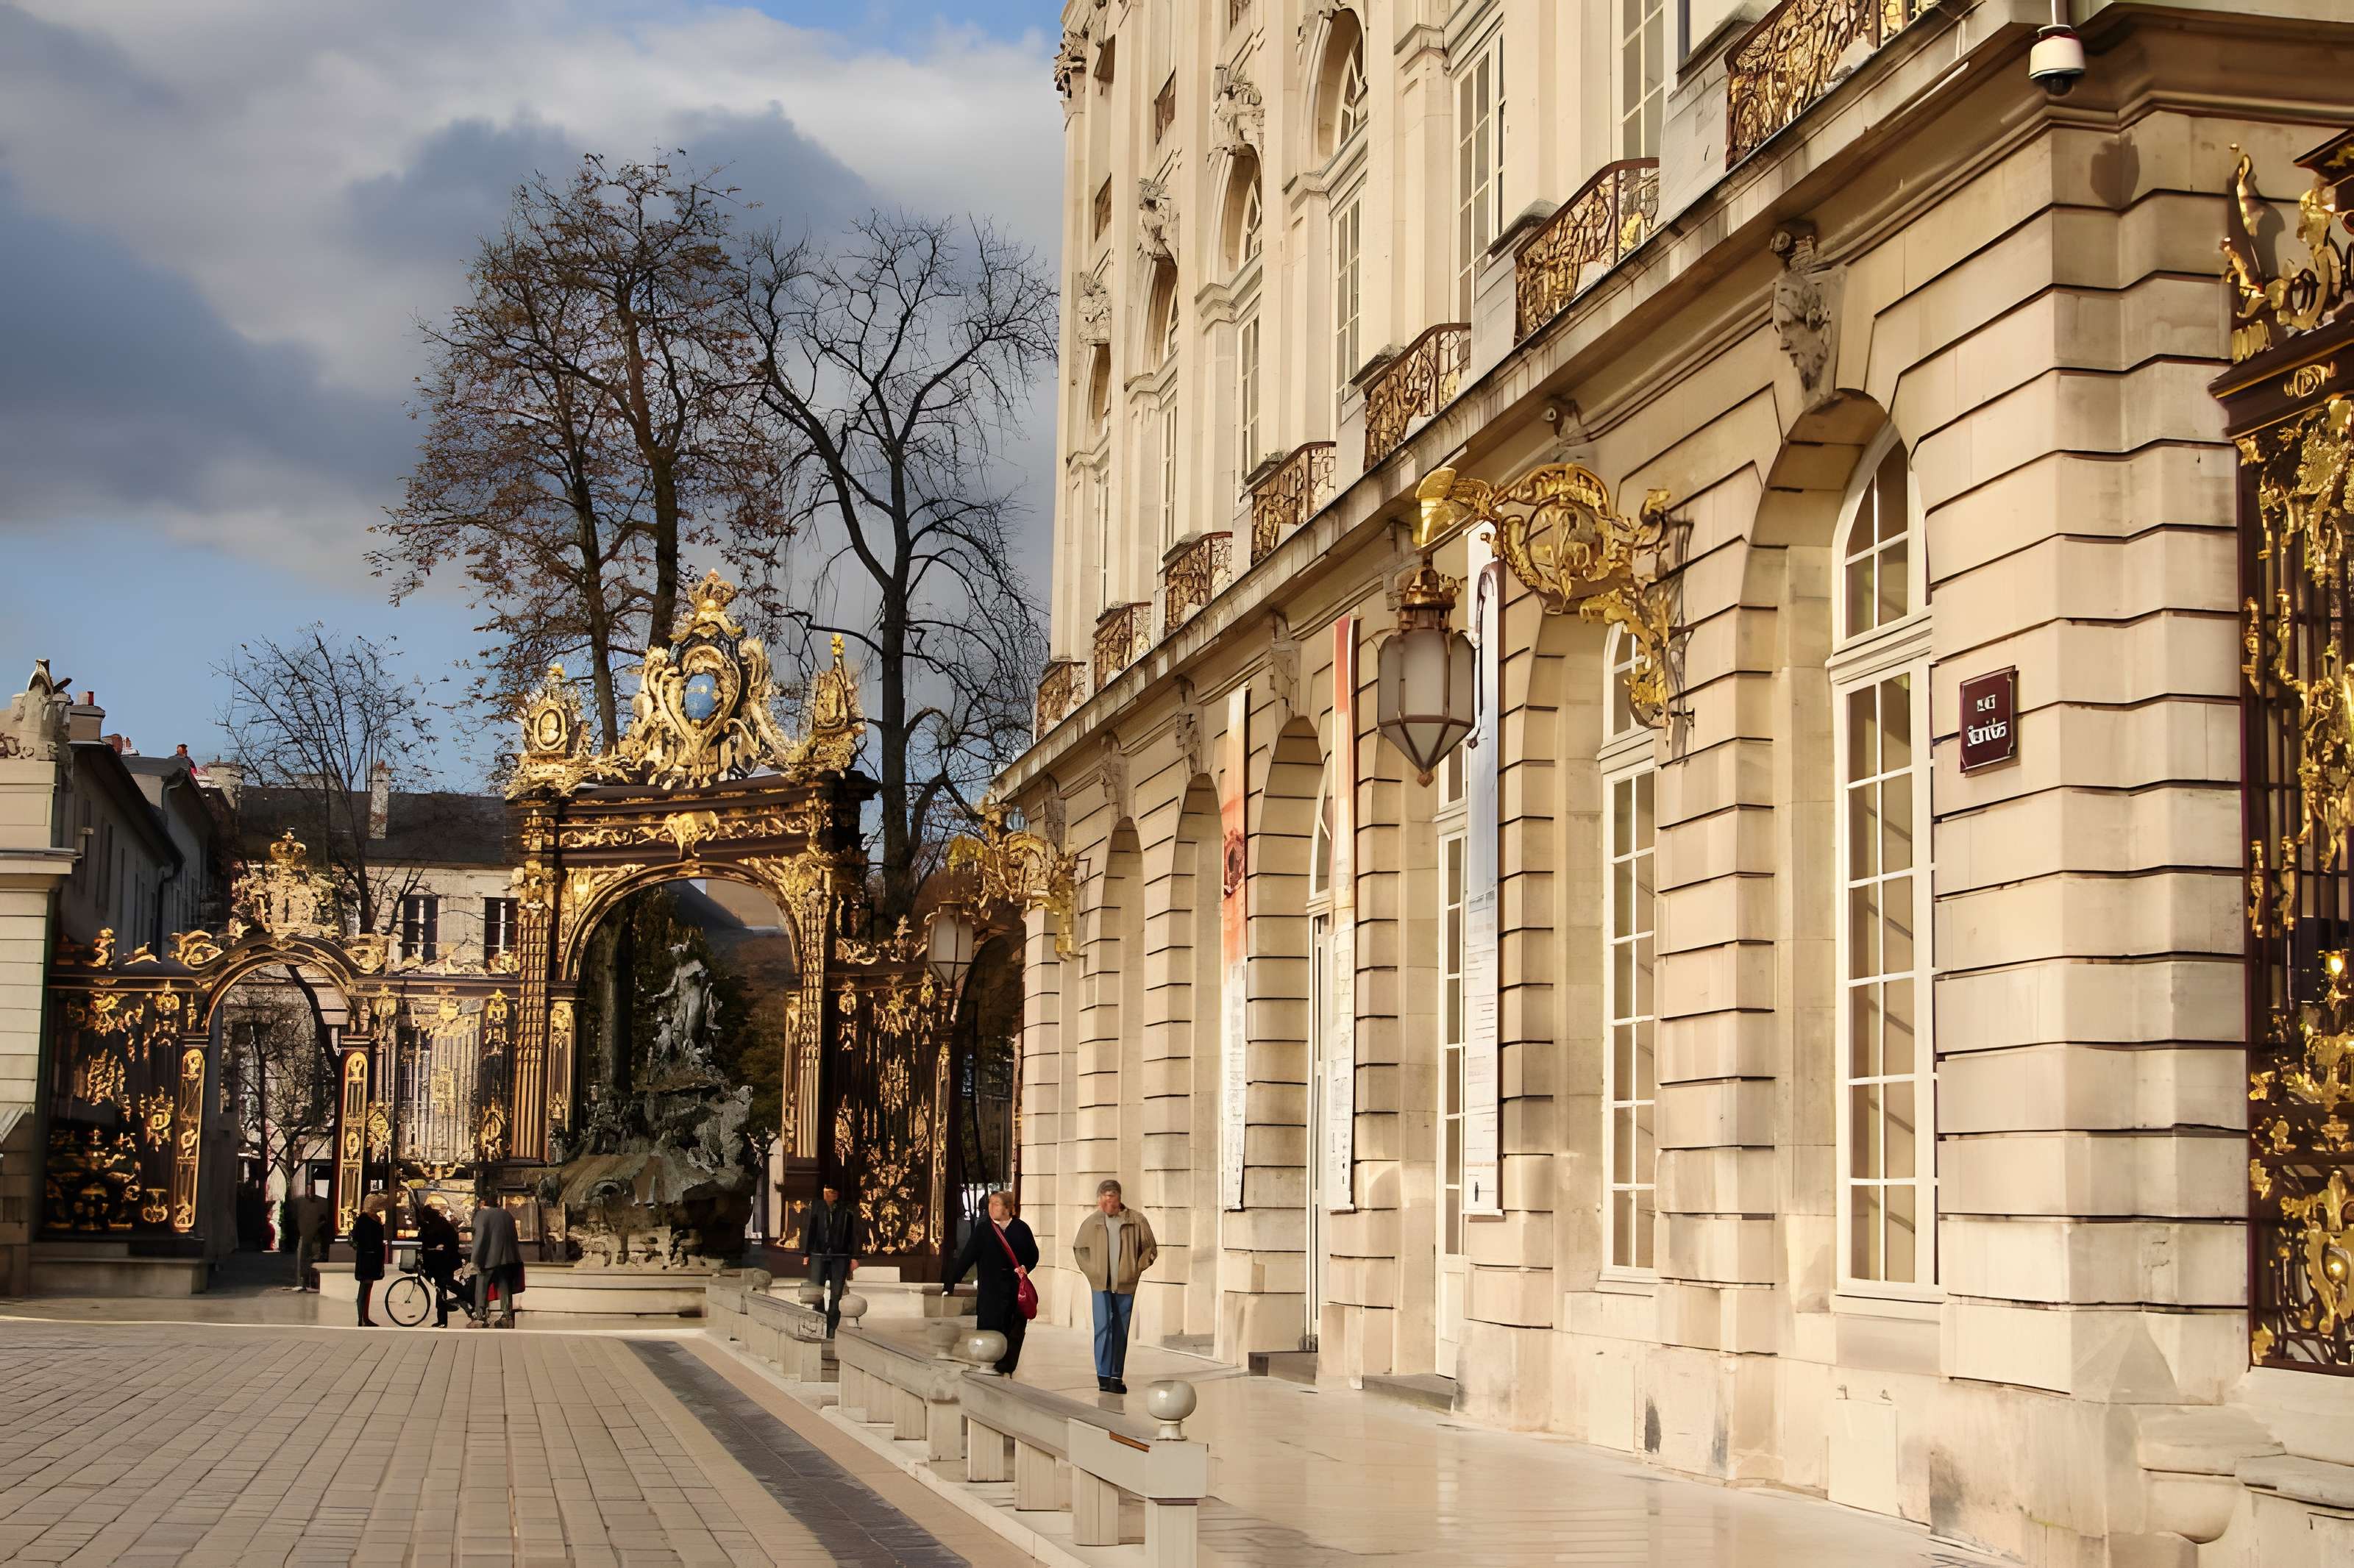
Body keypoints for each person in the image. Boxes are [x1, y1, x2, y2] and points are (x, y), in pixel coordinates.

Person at [1070, 1178, 1157, 1394]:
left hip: (1126, 1283)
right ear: (1099, 1200)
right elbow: (1080, 1249)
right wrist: (1093, 1272)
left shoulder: (1136, 1220)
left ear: (1119, 1199)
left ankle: (1116, 1376)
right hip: (1100, 1284)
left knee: (1121, 1329)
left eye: (1113, 1198)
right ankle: (1103, 1374)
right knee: (1103, 1327)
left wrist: (1135, 1269)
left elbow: (1150, 1249)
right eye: (1105, 1199)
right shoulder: (1092, 1223)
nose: (1108, 1203)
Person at [943, 1190, 1039, 1375]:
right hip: (991, 1292)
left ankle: (1007, 1367)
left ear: (1008, 1209)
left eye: (996, 1203)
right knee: (990, 1328)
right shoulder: (984, 1230)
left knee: (1013, 1331)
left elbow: (1033, 1255)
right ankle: (989, 1365)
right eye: (991, 1203)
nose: (991, 1207)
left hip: (1014, 1291)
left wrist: (1026, 1267)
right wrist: (951, 1283)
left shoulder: (1021, 1228)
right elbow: (966, 1258)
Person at [803, 1182, 860, 1338]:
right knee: (817, 1291)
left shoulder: (847, 1209)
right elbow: (810, 1230)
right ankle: (820, 1321)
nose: (830, 1195)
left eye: (833, 1192)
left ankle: (832, 1327)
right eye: (827, 1192)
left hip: (840, 1256)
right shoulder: (817, 1208)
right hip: (819, 1255)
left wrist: (854, 1257)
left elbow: (853, 1234)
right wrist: (807, 1254)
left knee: (836, 1294)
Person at [469, 1193, 522, 1328]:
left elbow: (479, 1238)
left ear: (483, 1203)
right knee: (504, 1287)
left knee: (482, 1287)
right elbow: (514, 1237)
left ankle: (480, 1317)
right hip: (507, 1259)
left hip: (488, 1259)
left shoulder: (482, 1215)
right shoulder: (507, 1215)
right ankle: (507, 1317)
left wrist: (474, 1260)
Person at [415, 1201, 463, 1328]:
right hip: (447, 1261)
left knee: (442, 1288)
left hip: (440, 1262)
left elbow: (426, 1239)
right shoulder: (441, 1223)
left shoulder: (432, 1226)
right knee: (443, 1287)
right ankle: (445, 1315)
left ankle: (444, 1317)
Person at [350, 1194, 388, 1327]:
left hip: (368, 1256)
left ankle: (363, 1317)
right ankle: (363, 1318)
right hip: (369, 1257)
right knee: (366, 1287)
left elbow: (356, 1237)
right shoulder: (371, 1220)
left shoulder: (365, 1219)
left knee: (365, 1286)